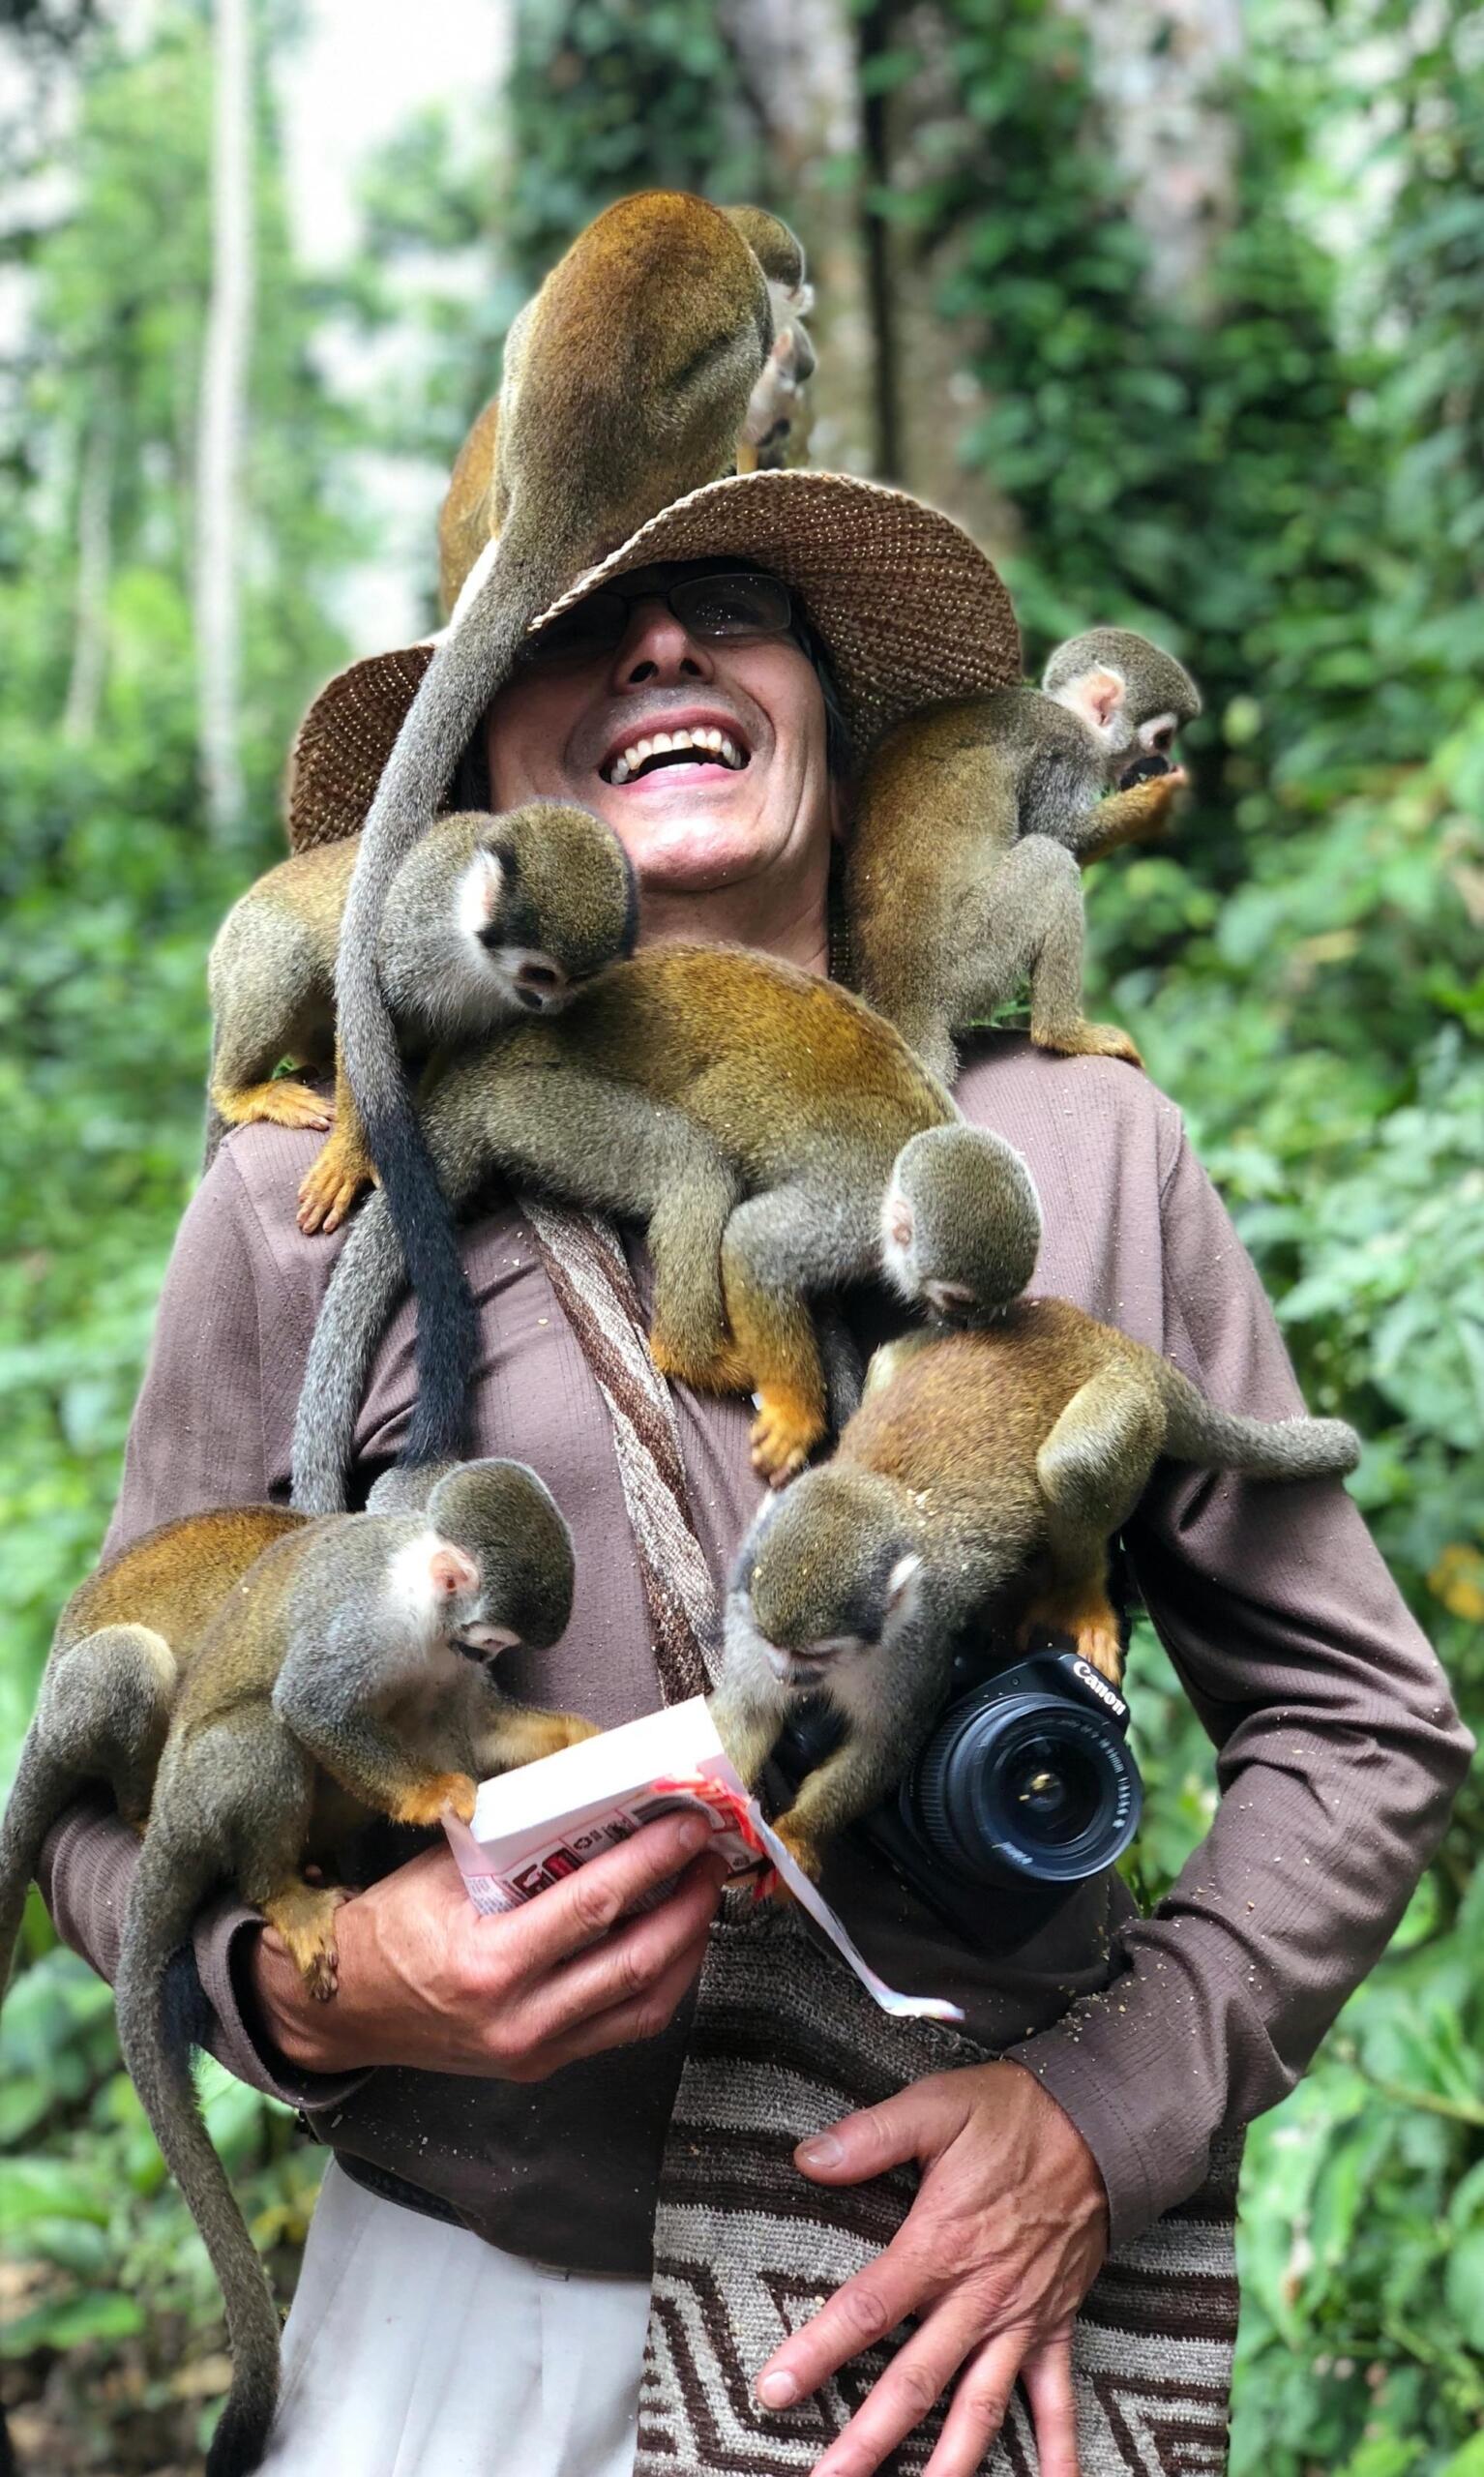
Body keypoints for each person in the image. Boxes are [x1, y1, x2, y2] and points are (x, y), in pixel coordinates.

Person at [38, 472, 1471, 2477]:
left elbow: (1361, 1722)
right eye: (572, 631)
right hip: (465, 2321)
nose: (654, 648)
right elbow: (104, 1794)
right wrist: (334, 1987)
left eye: (725, 604)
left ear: (827, 717)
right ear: (484, 778)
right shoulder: (309, 1190)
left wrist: (1104, 2111)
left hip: (954, 2335)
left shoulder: (1073, 1150)